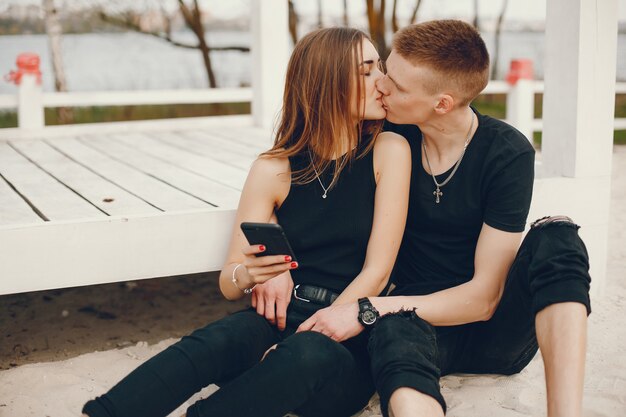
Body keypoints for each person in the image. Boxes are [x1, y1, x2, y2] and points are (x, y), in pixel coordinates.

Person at [81, 27, 411, 417]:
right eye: (367, 71)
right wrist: (254, 273)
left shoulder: (389, 151)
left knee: (305, 354)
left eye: (381, 68)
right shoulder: (273, 168)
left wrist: (305, 337)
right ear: (329, 82)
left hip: (345, 333)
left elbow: (378, 270)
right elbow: (228, 281)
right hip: (280, 315)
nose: (382, 82)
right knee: (222, 335)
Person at [283, 20, 591, 417]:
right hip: (414, 324)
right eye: (382, 72)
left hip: (495, 334)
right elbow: (306, 175)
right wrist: (271, 251)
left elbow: (485, 298)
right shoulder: (388, 133)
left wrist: (367, 308)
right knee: (395, 323)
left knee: (558, 235)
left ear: (441, 103)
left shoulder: (506, 152)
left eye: (395, 84)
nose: (380, 85)